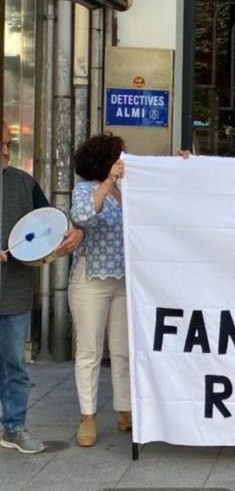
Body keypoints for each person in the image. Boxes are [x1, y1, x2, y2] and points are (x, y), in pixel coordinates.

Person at [0, 125, 83, 454]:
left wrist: (71, 233)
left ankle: (14, 427)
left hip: (15, 293)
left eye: (8, 144)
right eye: (0, 145)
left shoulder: (23, 182)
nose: (6, 151)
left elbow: (49, 221)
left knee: (15, 365)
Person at [69, 135, 132, 447]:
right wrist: (108, 183)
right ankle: (88, 416)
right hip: (91, 277)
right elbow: (82, 216)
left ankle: (126, 409)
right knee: (90, 350)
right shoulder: (85, 190)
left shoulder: (129, 190)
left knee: (122, 350)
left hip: (123, 280)